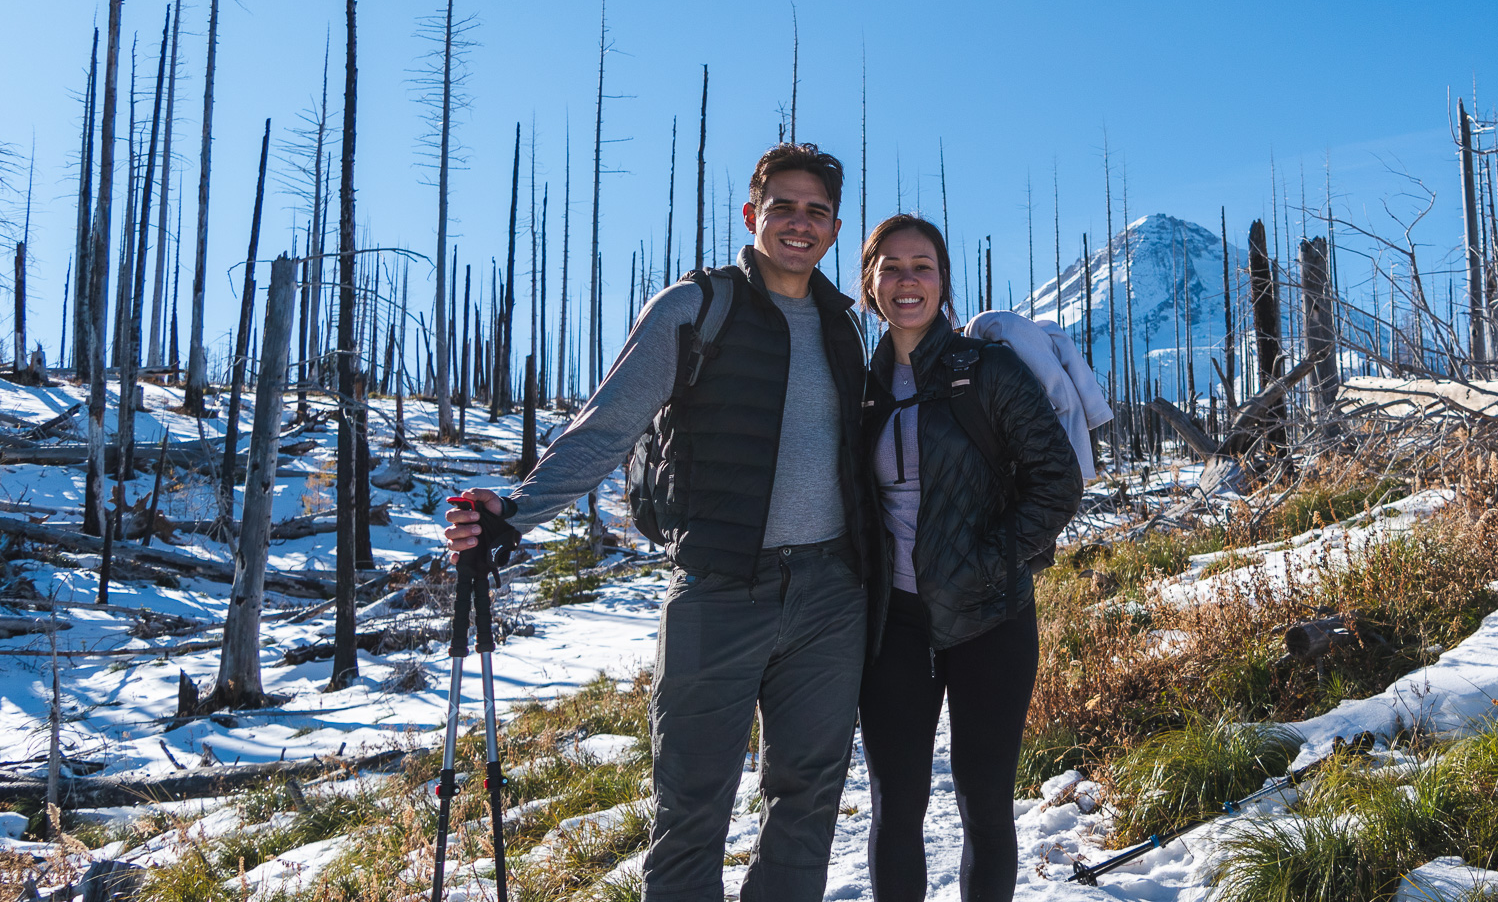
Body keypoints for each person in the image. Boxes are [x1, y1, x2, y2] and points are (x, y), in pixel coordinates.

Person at [442, 143, 873, 902]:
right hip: (717, 590)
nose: (798, 225)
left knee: (807, 805)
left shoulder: (844, 325)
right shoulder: (695, 307)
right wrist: (515, 513)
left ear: (835, 229)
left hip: (830, 595)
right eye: (783, 208)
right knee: (690, 809)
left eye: (816, 212)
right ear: (752, 215)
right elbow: (607, 427)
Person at [855, 214, 1083, 902]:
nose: (906, 280)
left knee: (985, 806)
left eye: (922, 265)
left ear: (943, 281)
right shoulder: (857, 387)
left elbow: (1058, 481)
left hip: (993, 616)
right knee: (897, 807)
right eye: (890, 267)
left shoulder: (988, 371)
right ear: (869, 284)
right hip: (894, 623)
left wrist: (990, 563)